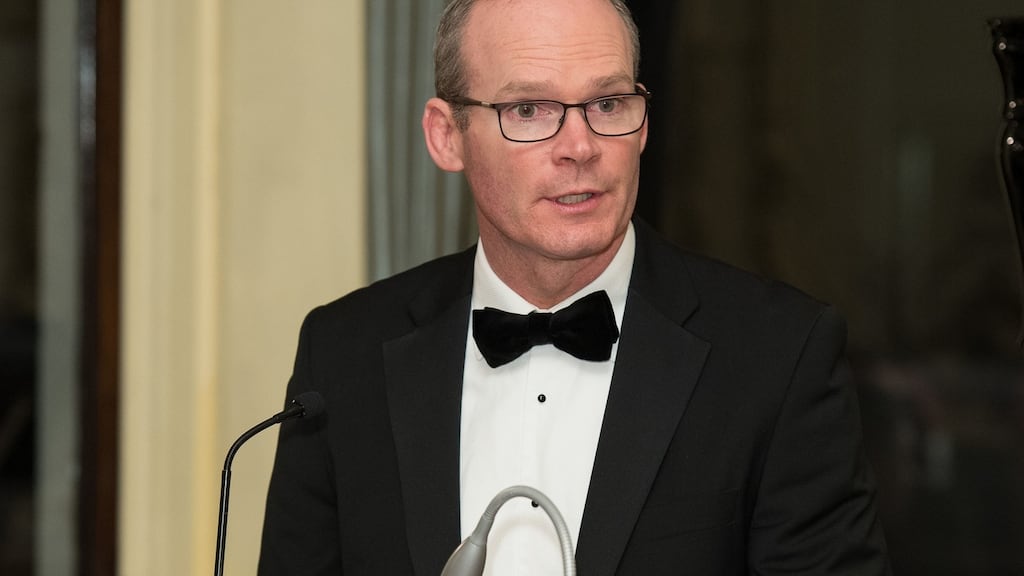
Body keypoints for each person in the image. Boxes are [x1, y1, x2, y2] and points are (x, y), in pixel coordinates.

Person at [258, 0, 892, 574]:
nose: (580, 147)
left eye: (607, 104)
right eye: (528, 110)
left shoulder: (778, 354)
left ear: (643, 124)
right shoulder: (341, 355)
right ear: (447, 136)